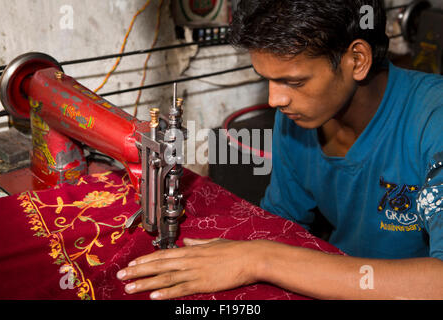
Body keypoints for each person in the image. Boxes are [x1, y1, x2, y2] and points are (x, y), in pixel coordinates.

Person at [116, 0, 443, 299]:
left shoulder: (433, 122)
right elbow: (281, 223)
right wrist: (247, 254)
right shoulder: (300, 120)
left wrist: (261, 259)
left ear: (356, 60)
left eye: (295, 81)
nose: (275, 100)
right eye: (267, 79)